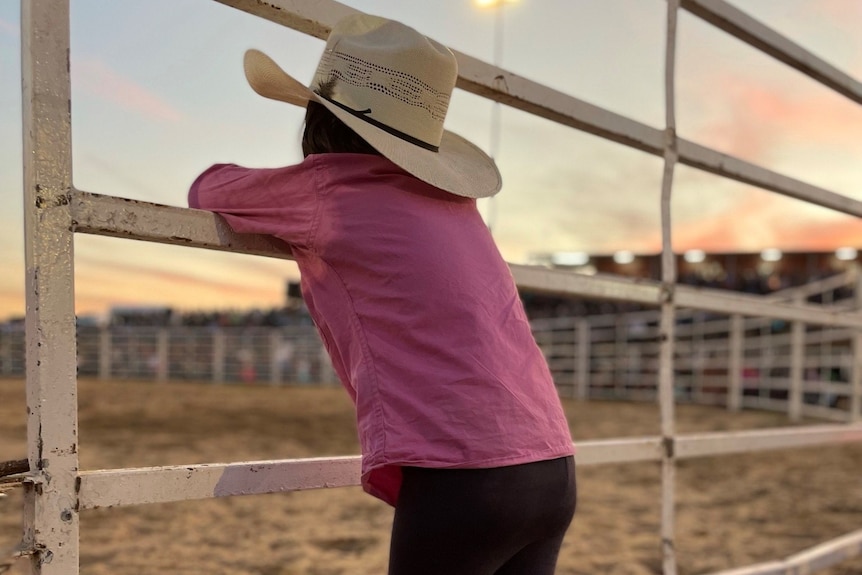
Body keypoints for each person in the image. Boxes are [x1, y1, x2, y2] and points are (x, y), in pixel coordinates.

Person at [189, 14, 576, 574]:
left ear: (319, 120)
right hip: (550, 463)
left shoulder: (329, 188)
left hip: (463, 477)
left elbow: (210, 189)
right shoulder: (458, 208)